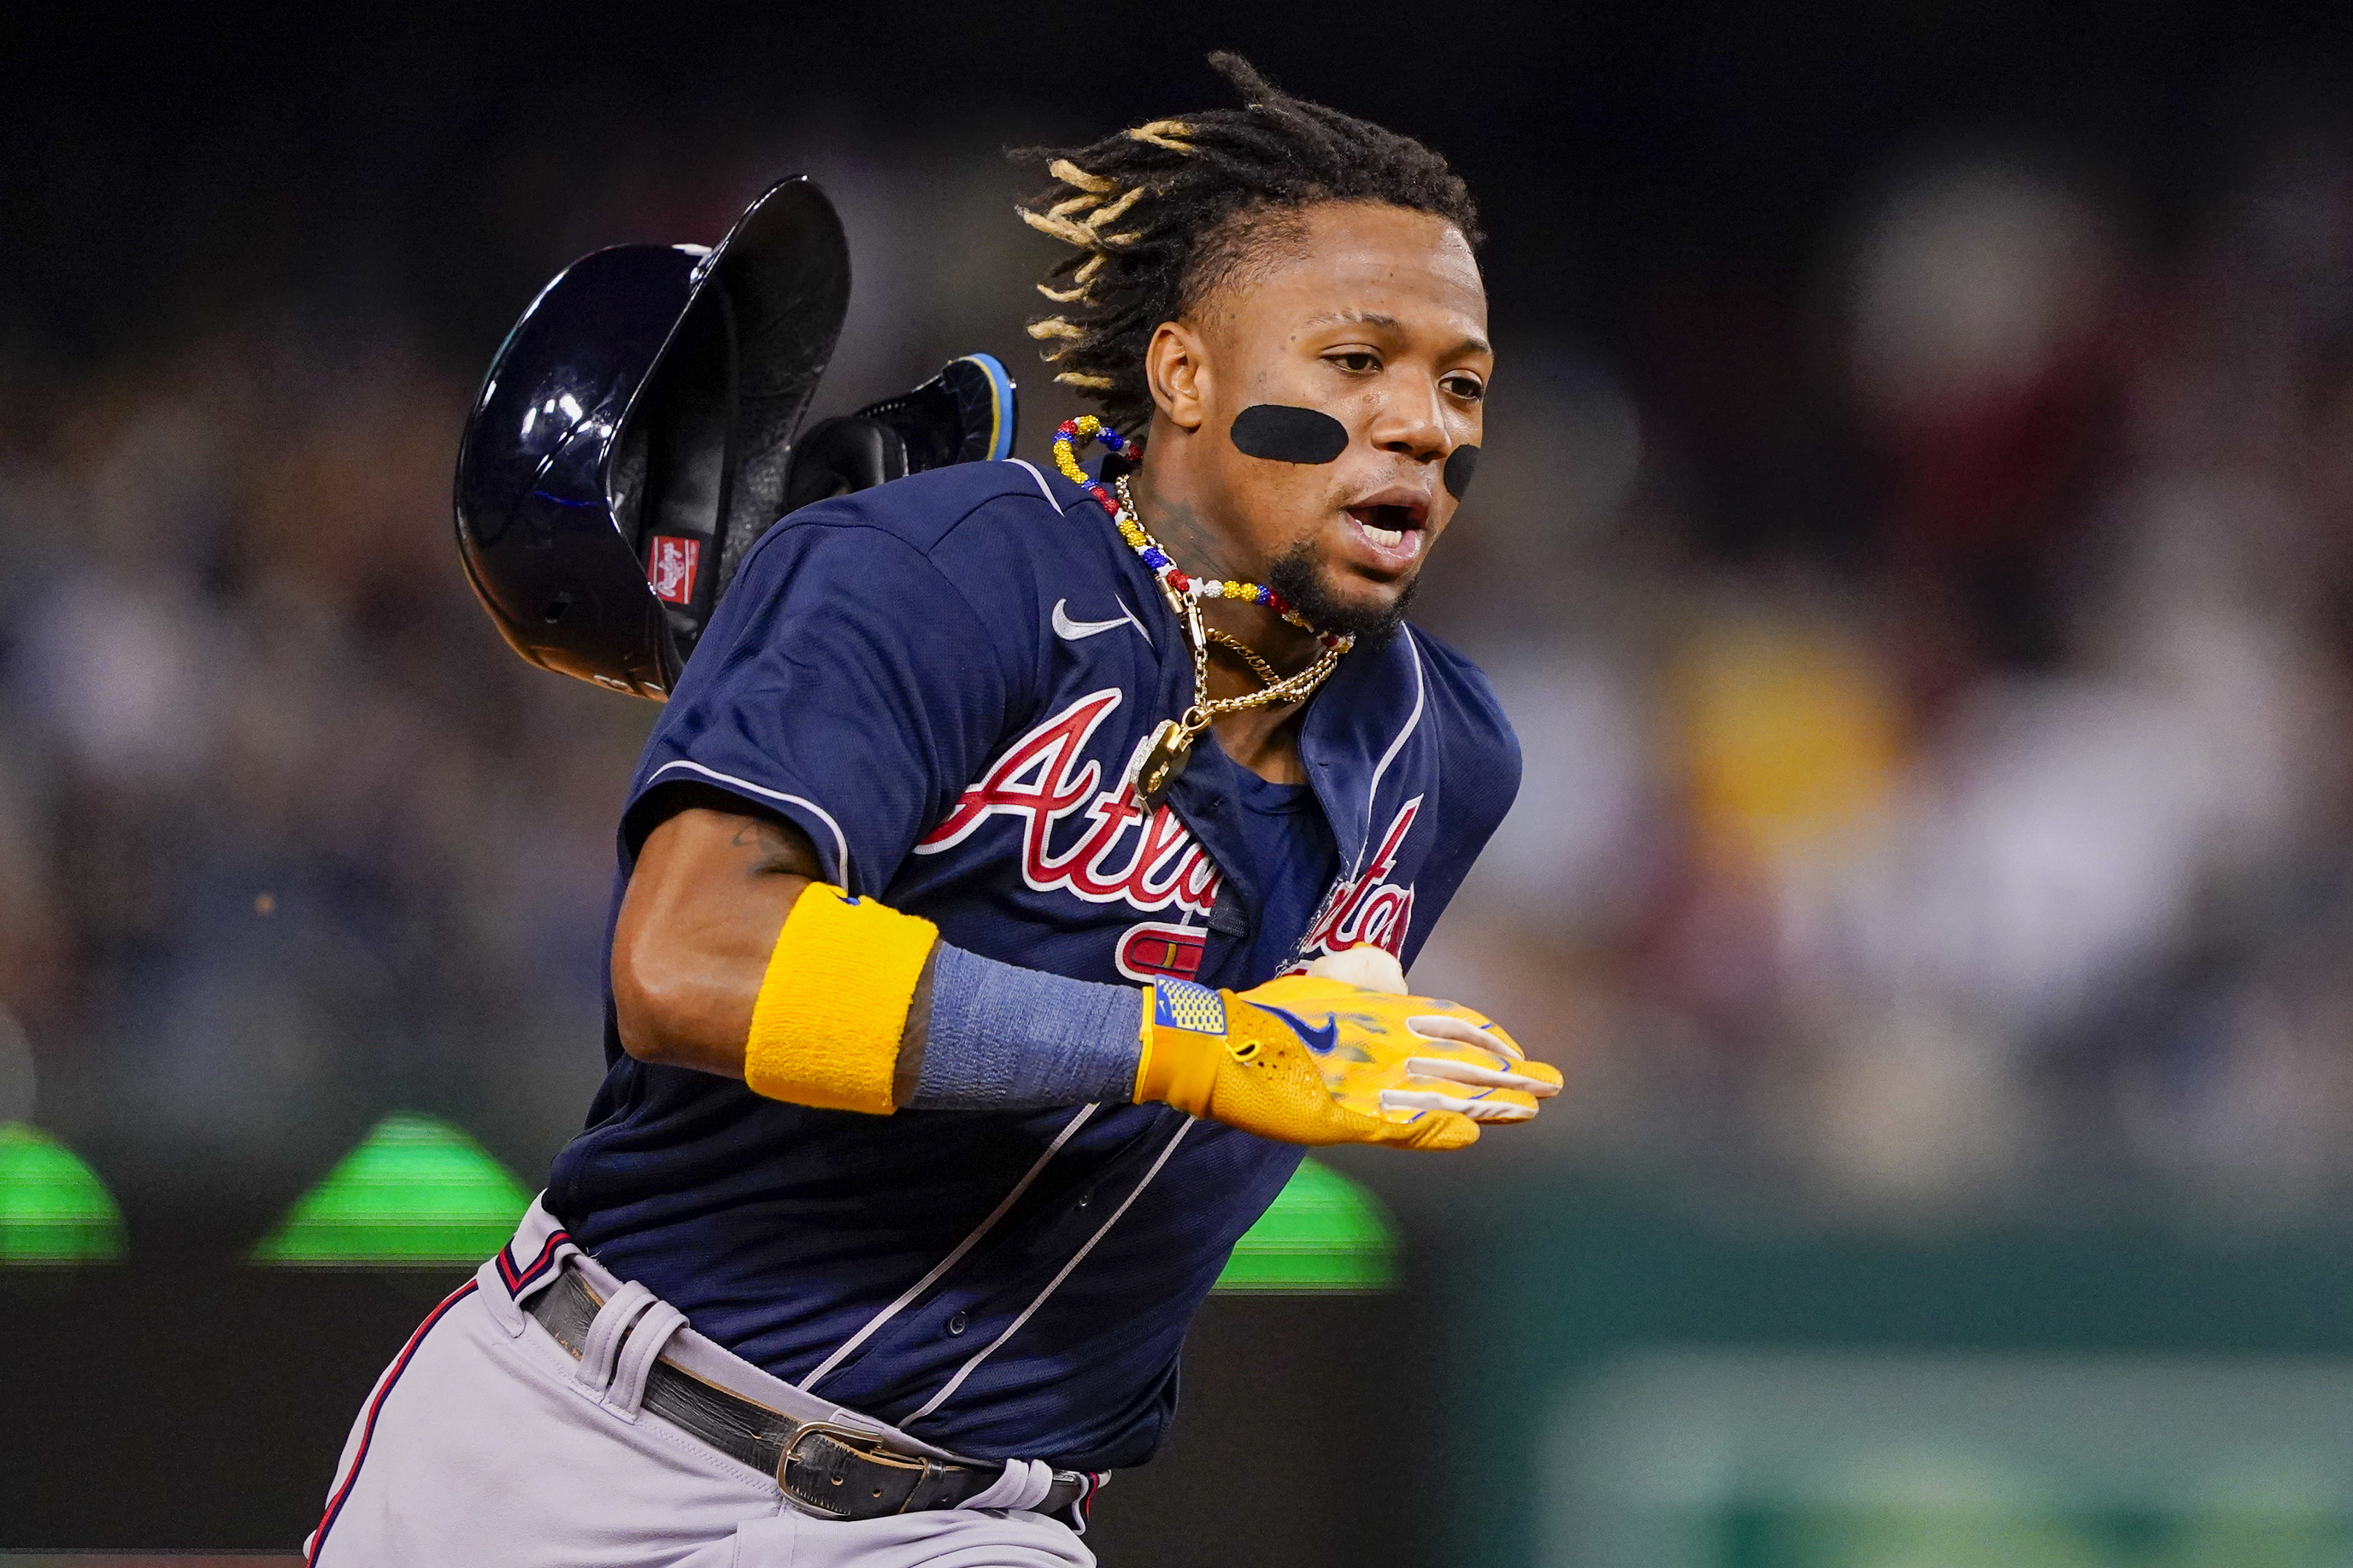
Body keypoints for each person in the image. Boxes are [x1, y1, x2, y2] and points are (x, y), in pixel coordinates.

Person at [307, 52, 1560, 1568]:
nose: (1423, 423)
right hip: (582, 1441)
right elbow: (687, 963)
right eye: (1355, 362)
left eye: (1460, 383)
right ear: (1183, 375)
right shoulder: (945, 568)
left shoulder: (1447, 754)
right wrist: (1191, 1044)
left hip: (965, 1523)